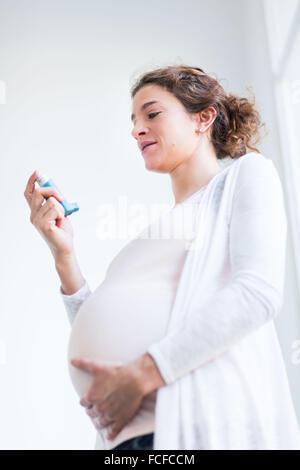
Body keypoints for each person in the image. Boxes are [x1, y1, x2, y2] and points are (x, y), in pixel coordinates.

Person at [24, 65, 300, 450]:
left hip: (198, 427)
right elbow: (99, 325)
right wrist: (63, 253)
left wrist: (143, 374)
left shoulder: (244, 177)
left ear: (204, 117)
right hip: (129, 439)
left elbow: (258, 293)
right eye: (134, 121)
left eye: (152, 114)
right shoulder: (140, 246)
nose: (137, 129)